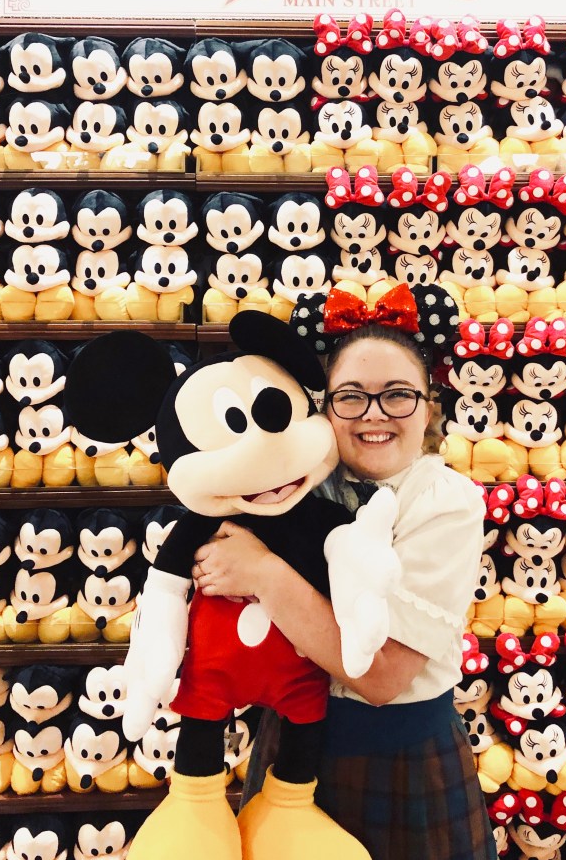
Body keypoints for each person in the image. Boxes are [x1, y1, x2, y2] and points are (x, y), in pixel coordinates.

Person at [192, 317, 498, 860]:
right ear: (325, 409)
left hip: (399, 754)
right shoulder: (296, 485)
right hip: (291, 737)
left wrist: (263, 572)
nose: (374, 414)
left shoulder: (445, 503)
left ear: (428, 408)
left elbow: (380, 676)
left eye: (398, 395)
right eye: (351, 397)